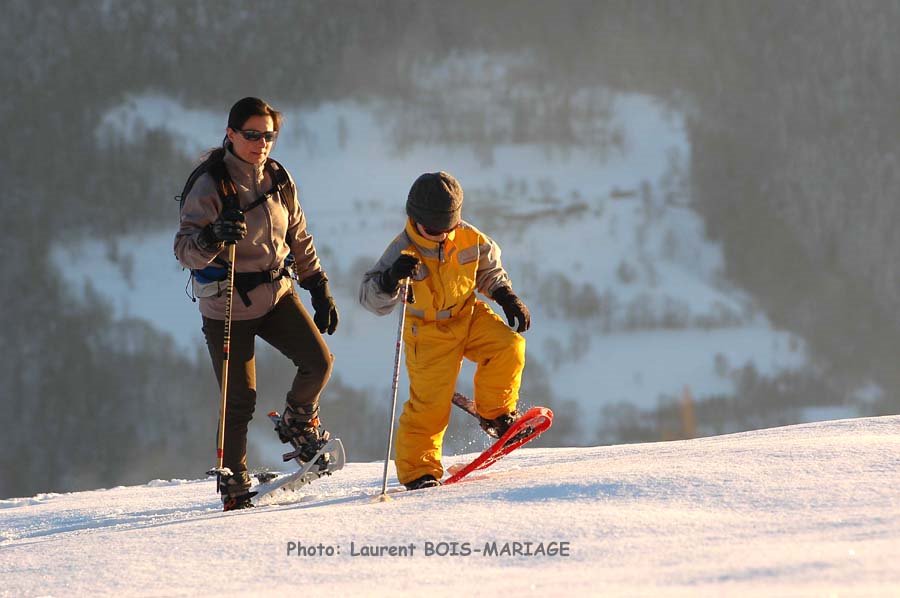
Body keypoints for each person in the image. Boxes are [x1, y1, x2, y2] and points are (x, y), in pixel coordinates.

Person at [174, 97, 339, 510]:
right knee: (239, 399)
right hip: (227, 303)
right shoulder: (210, 183)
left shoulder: (278, 177)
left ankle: (298, 422)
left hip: (276, 294)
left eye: (268, 135)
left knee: (319, 361)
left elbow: (298, 234)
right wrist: (213, 238)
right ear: (230, 133)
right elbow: (184, 250)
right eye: (252, 135)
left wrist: (317, 285)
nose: (261, 143)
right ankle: (233, 482)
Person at [359, 171, 531, 490]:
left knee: (509, 347)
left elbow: (489, 270)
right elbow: (369, 297)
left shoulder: (469, 237)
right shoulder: (401, 250)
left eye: (448, 227)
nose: (442, 234)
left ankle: (495, 415)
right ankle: (418, 471)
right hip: (427, 332)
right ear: (415, 218)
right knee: (430, 406)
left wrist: (506, 295)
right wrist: (390, 280)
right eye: (435, 229)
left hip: (468, 315)